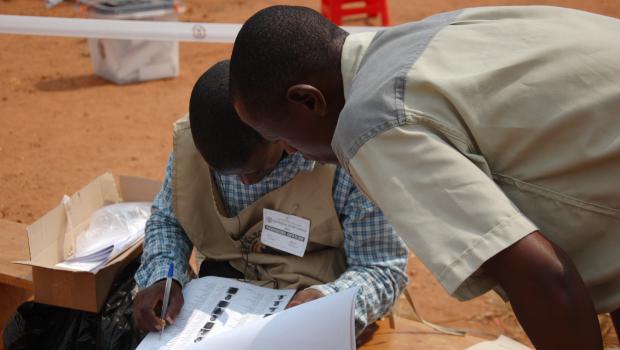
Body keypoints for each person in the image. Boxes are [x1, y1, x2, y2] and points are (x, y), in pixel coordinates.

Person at [228, 5, 620, 349]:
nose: (292, 153)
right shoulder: (415, 40)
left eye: (281, 138)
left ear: (308, 100)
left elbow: (543, 279)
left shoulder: (372, 122)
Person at [132, 60, 409, 337]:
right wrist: (163, 277)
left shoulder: (344, 159)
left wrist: (328, 301)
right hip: (221, 313)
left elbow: (382, 269)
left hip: (310, 318)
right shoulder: (196, 140)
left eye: (256, 170)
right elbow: (169, 221)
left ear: (279, 135)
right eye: (223, 173)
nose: (244, 181)